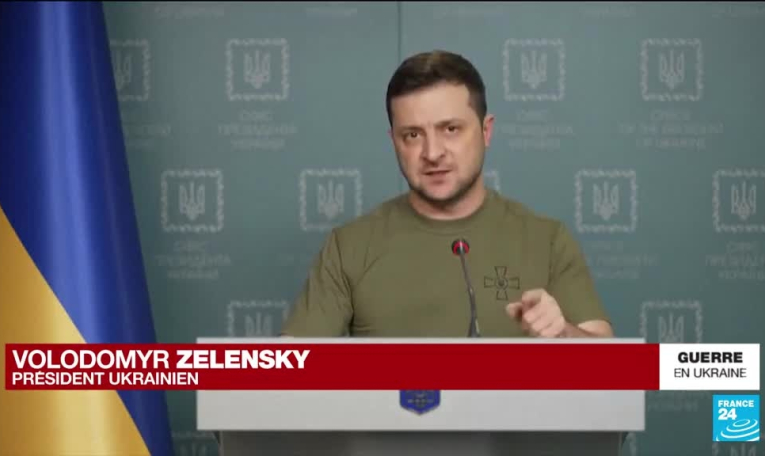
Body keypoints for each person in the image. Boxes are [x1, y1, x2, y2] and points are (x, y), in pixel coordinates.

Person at [281, 50, 613, 339]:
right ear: (394, 141)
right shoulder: (348, 247)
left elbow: (612, 369)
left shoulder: (547, 240)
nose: (432, 153)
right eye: (412, 135)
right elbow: (285, 369)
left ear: (486, 131)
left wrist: (563, 334)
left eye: (450, 129)